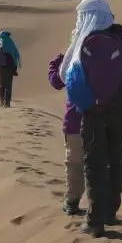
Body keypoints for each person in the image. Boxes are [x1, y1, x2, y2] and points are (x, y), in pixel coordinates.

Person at [61, 0, 122, 238]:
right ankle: (110, 212)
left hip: (93, 113)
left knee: (95, 164)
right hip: (120, 112)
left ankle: (94, 222)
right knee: (115, 160)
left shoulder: (82, 42)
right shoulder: (120, 42)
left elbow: (68, 78)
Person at [47, 52, 85, 216]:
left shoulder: (73, 54)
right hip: (103, 119)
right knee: (99, 164)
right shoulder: (109, 49)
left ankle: (72, 201)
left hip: (75, 120)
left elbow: (56, 81)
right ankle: (103, 209)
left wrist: (55, 63)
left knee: (75, 162)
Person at [0, 31, 21, 107]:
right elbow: (16, 56)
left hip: (1, 67)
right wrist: (15, 68)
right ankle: (7, 103)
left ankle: (1, 101)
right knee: (8, 86)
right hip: (10, 67)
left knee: (2, 84)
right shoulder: (11, 44)